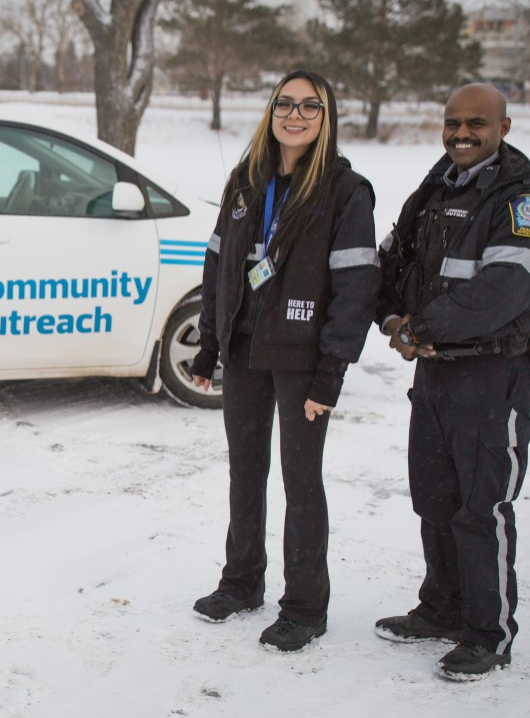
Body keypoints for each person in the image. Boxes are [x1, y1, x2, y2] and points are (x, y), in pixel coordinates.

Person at [373, 83, 530, 681]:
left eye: (476, 123)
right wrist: (393, 321)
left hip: (492, 374)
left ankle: (488, 632)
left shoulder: (526, 201)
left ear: (503, 127)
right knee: (434, 499)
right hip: (433, 374)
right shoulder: (431, 192)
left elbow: (502, 290)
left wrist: (421, 326)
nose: (461, 133)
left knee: (482, 507)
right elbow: (389, 264)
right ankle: (443, 609)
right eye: (453, 122)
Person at [187, 70, 379, 652]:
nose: (295, 115)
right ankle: (242, 582)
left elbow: (357, 287)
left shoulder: (346, 192)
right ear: (271, 111)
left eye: (310, 106)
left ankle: (304, 608)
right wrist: (211, 342)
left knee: (301, 481)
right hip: (245, 352)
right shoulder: (246, 182)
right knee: (245, 472)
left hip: (302, 359)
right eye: (285, 103)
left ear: (327, 117)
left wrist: (331, 371)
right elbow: (219, 265)